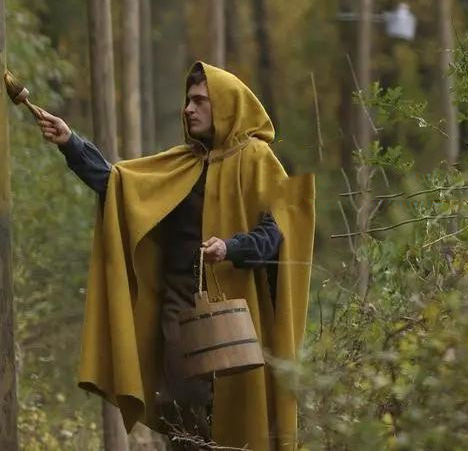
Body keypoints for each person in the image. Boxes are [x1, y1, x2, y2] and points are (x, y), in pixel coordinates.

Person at [34, 62, 315, 450]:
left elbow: (277, 234)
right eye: (187, 101)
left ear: (226, 105)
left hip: (241, 315)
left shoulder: (257, 160)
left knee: (240, 417)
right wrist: (71, 143)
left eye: (200, 101)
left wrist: (230, 247)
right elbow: (117, 185)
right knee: (183, 413)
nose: (188, 109)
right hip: (180, 310)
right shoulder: (181, 163)